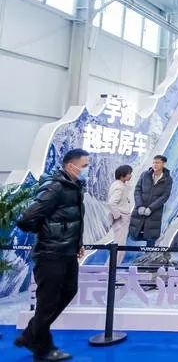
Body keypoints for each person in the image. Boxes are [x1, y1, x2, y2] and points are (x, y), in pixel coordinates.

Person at [15, 149, 89, 362]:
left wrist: (76, 243)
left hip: (68, 252)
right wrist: (50, 234)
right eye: (84, 166)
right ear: (71, 166)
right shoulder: (55, 186)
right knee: (47, 303)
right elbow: (26, 218)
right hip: (51, 254)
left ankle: (30, 335)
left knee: (69, 291)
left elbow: (73, 220)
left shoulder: (74, 186)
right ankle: (42, 349)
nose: (87, 170)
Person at [128, 155, 173, 247]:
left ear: (163, 164)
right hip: (139, 210)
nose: (155, 165)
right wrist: (139, 205)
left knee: (151, 237)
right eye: (153, 162)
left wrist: (151, 208)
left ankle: (150, 254)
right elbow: (137, 190)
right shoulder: (145, 175)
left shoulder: (168, 179)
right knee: (133, 236)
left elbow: (165, 196)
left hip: (154, 212)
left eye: (157, 163)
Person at [108, 164, 134, 264]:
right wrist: (118, 216)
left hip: (121, 217)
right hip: (121, 218)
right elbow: (112, 203)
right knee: (119, 246)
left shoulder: (119, 184)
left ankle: (111, 267)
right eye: (129, 173)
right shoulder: (119, 187)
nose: (131, 176)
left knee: (119, 245)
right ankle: (111, 268)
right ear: (123, 175)